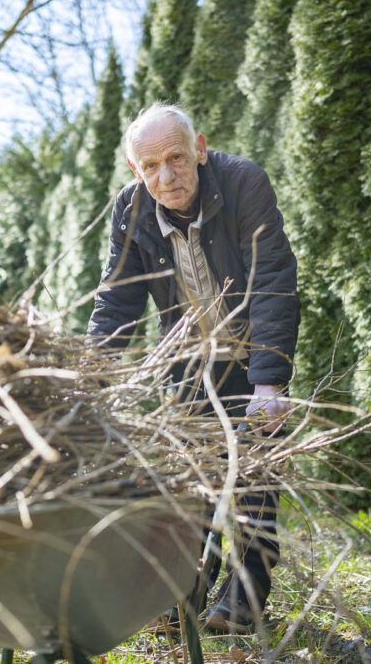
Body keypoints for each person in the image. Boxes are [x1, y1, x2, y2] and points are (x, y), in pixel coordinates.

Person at [87, 103, 299, 633]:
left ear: (199, 150)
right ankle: (184, 594)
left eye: (176, 158)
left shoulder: (243, 183)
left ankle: (243, 599)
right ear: (137, 171)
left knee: (251, 484)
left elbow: (272, 277)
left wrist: (269, 382)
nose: (166, 175)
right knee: (190, 484)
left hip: (250, 356)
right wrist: (90, 382)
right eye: (151, 165)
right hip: (189, 363)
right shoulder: (130, 210)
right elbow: (117, 301)